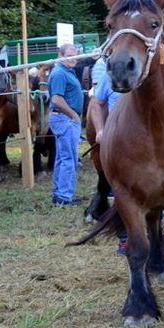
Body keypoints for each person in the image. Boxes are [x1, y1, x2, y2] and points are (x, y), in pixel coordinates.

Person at [90, 56, 129, 255]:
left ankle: (154, 234)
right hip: (119, 141)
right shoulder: (109, 76)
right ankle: (124, 238)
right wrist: (100, 130)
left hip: (147, 141)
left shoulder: (146, 76)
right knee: (122, 192)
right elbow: (97, 103)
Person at [47, 43, 84, 207]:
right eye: (69, 56)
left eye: (75, 55)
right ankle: (63, 197)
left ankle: (59, 195)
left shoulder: (67, 71)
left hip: (65, 118)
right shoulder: (59, 73)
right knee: (69, 159)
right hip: (65, 119)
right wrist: (73, 114)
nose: (73, 59)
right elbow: (56, 99)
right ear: (61, 55)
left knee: (62, 157)